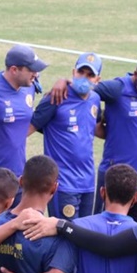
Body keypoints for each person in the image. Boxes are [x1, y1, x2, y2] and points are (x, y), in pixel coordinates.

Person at [90, 54, 137, 221]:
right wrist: (97, 119)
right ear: (136, 74)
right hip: (115, 174)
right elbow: (86, 91)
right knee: (105, 229)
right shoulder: (117, 88)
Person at [31, 52, 103, 221]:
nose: (84, 78)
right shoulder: (56, 97)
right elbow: (29, 127)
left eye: (90, 75)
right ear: (73, 72)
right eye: (81, 72)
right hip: (63, 183)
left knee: (85, 234)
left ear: (97, 80)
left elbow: (96, 126)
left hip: (88, 183)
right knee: (65, 236)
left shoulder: (95, 99)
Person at [0, 44, 46, 179]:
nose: (36, 74)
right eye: (31, 70)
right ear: (14, 70)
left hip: (17, 176)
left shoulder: (29, 87)